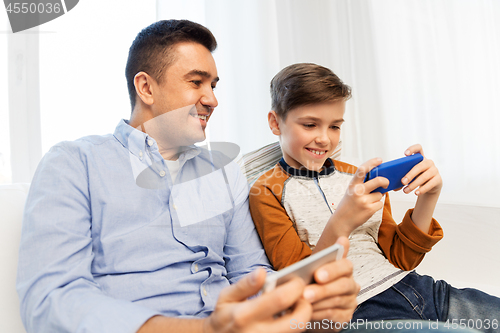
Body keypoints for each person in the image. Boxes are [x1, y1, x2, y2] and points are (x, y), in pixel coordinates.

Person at [16, 20, 361, 333]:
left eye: (213, 85)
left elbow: (251, 274)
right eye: (196, 82)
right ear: (146, 89)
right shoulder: (75, 163)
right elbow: (51, 298)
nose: (211, 99)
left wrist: (310, 314)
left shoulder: (224, 173)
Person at [249, 63, 500, 332]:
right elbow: (299, 283)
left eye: (335, 126)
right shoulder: (266, 191)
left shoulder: (357, 176)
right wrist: (342, 222)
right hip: (360, 311)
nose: (324, 138)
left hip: (420, 289)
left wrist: (428, 197)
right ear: (276, 123)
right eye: (310, 125)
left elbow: (402, 258)